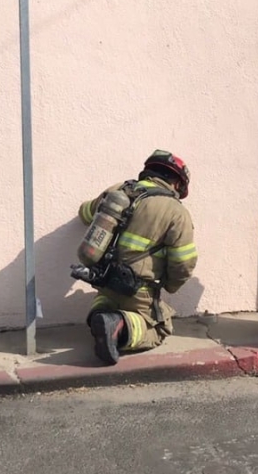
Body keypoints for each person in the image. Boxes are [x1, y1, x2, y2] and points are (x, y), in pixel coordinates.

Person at [75, 150, 198, 365]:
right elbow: (183, 262)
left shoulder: (118, 190)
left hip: (103, 279)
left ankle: (102, 315)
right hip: (138, 290)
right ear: (178, 183)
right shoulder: (176, 212)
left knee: (106, 301)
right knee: (159, 328)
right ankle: (120, 325)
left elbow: (85, 213)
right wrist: (170, 286)